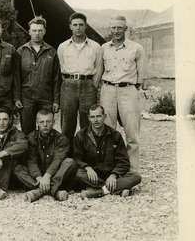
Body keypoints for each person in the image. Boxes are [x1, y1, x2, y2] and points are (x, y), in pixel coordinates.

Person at [100, 16, 147, 173]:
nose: (116, 31)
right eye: (113, 28)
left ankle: (132, 171)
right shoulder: (104, 48)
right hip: (107, 90)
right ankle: (109, 169)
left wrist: (132, 87)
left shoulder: (136, 48)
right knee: (107, 131)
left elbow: (141, 75)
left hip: (128, 90)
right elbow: (99, 71)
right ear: (110, 29)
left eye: (120, 28)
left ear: (125, 29)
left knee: (131, 132)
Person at [73, 104, 141, 199]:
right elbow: (76, 158)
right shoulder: (81, 136)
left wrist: (113, 175)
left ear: (104, 117)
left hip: (111, 174)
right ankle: (117, 189)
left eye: (98, 116)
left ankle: (99, 191)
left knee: (136, 176)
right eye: (92, 117)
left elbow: (123, 161)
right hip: (92, 176)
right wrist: (88, 168)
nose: (96, 120)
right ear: (88, 118)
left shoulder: (115, 135)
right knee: (77, 174)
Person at [57, 13, 102, 147]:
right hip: (68, 85)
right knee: (67, 123)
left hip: (88, 85)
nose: (78, 28)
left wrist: (92, 85)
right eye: (75, 25)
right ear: (70, 26)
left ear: (86, 26)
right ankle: (67, 155)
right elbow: (60, 68)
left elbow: (98, 69)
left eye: (81, 25)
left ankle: (86, 154)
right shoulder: (63, 47)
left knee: (88, 122)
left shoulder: (95, 47)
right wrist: (66, 83)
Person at [14, 109, 76, 202]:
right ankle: (54, 191)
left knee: (70, 162)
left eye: (48, 121)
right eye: (42, 122)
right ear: (37, 123)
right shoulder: (31, 138)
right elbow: (31, 161)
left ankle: (39, 191)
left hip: (55, 174)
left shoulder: (62, 139)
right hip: (37, 176)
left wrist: (47, 176)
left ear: (53, 122)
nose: (45, 125)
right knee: (17, 168)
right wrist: (38, 177)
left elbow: (57, 160)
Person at [17, 16, 61, 135]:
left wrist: (56, 100)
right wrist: (16, 98)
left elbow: (56, 78)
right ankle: (29, 153)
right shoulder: (21, 51)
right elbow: (16, 78)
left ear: (44, 32)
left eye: (40, 30)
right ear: (29, 31)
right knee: (27, 131)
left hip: (45, 98)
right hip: (26, 98)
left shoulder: (51, 52)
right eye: (34, 30)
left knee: (45, 129)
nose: (37, 34)